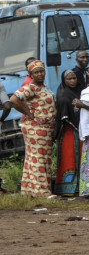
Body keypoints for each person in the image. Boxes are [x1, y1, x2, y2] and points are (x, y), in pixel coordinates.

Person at [9, 60, 57, 198]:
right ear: (30, 74)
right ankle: (42, 192)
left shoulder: (44, 86)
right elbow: (14, 99)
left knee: (36, 158)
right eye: (36, 72)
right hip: (36, 128)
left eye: (41, 71)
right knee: (39, 158)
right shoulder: (30, 87)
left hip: (45, 128)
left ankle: (29, 190)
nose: (40, 74)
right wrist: (29, 113)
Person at [53, 70, 81, 196]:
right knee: (69, 158)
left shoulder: (79, 91)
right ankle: (67, 188)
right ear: (64, 80)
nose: (73, 81)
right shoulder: (63, 95)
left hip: (80, 131)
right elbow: (63, 117)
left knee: (79, 158)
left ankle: (80, 185)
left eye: (74, 78)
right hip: (68, 132)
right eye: (69, 79)